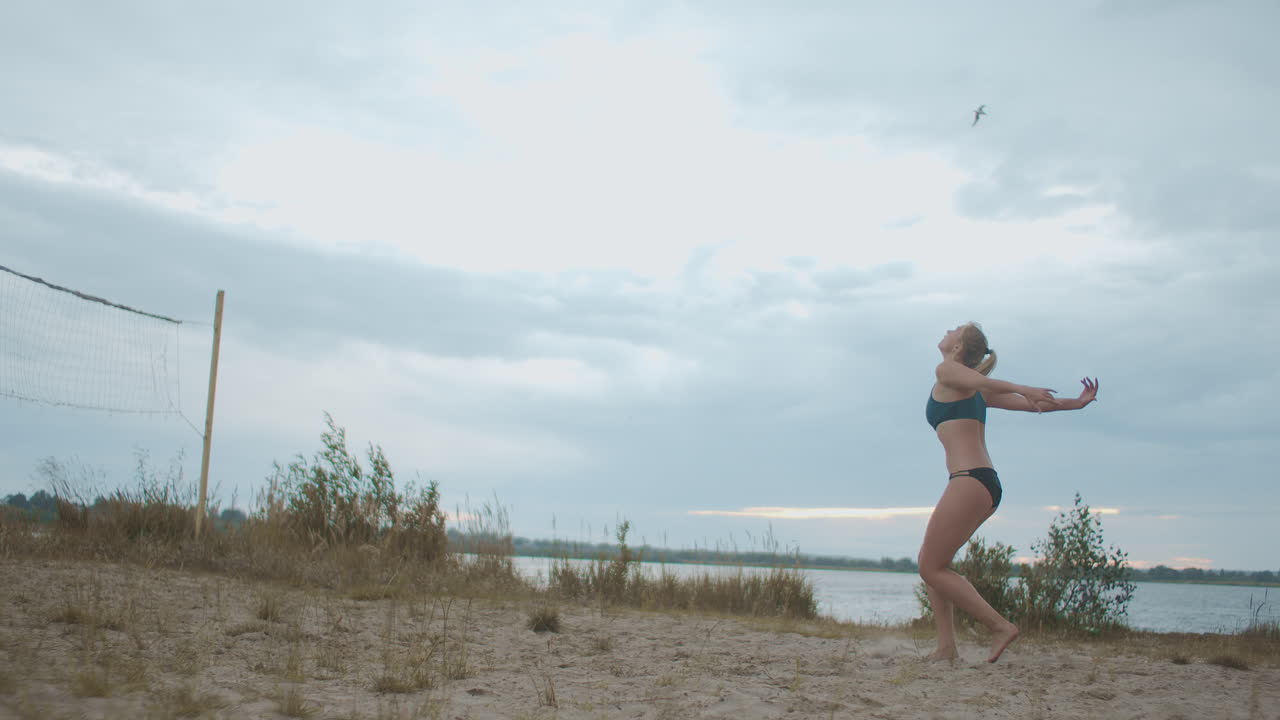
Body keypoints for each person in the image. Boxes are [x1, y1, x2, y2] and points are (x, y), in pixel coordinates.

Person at [919, 322, 1098, 663]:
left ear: (958, 348)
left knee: (931, 567)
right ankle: (946, 647)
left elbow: (994, 386)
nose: (947, 329)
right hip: (982, 483)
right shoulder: (968, 387)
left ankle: (1000, 626)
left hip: (969, 481)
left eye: (955, 329)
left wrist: (1024, 387)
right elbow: (1032, 405)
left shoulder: (948, 372)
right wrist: (1076, 403)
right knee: (935, 564)